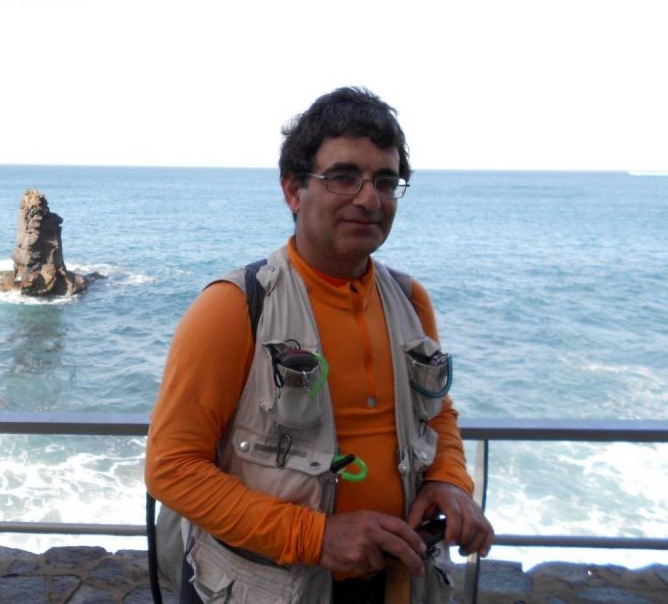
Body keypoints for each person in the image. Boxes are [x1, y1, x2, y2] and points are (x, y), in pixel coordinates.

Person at [145, 87, 493, 603]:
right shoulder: (235, 306)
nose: (369, 199)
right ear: (293, 190)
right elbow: (171, 468)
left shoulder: (409, 299)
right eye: (343, 177)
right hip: (271, 588)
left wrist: (448, 480)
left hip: (397, 580)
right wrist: (317, 537)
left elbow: (437, 413)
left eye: (385, 181)